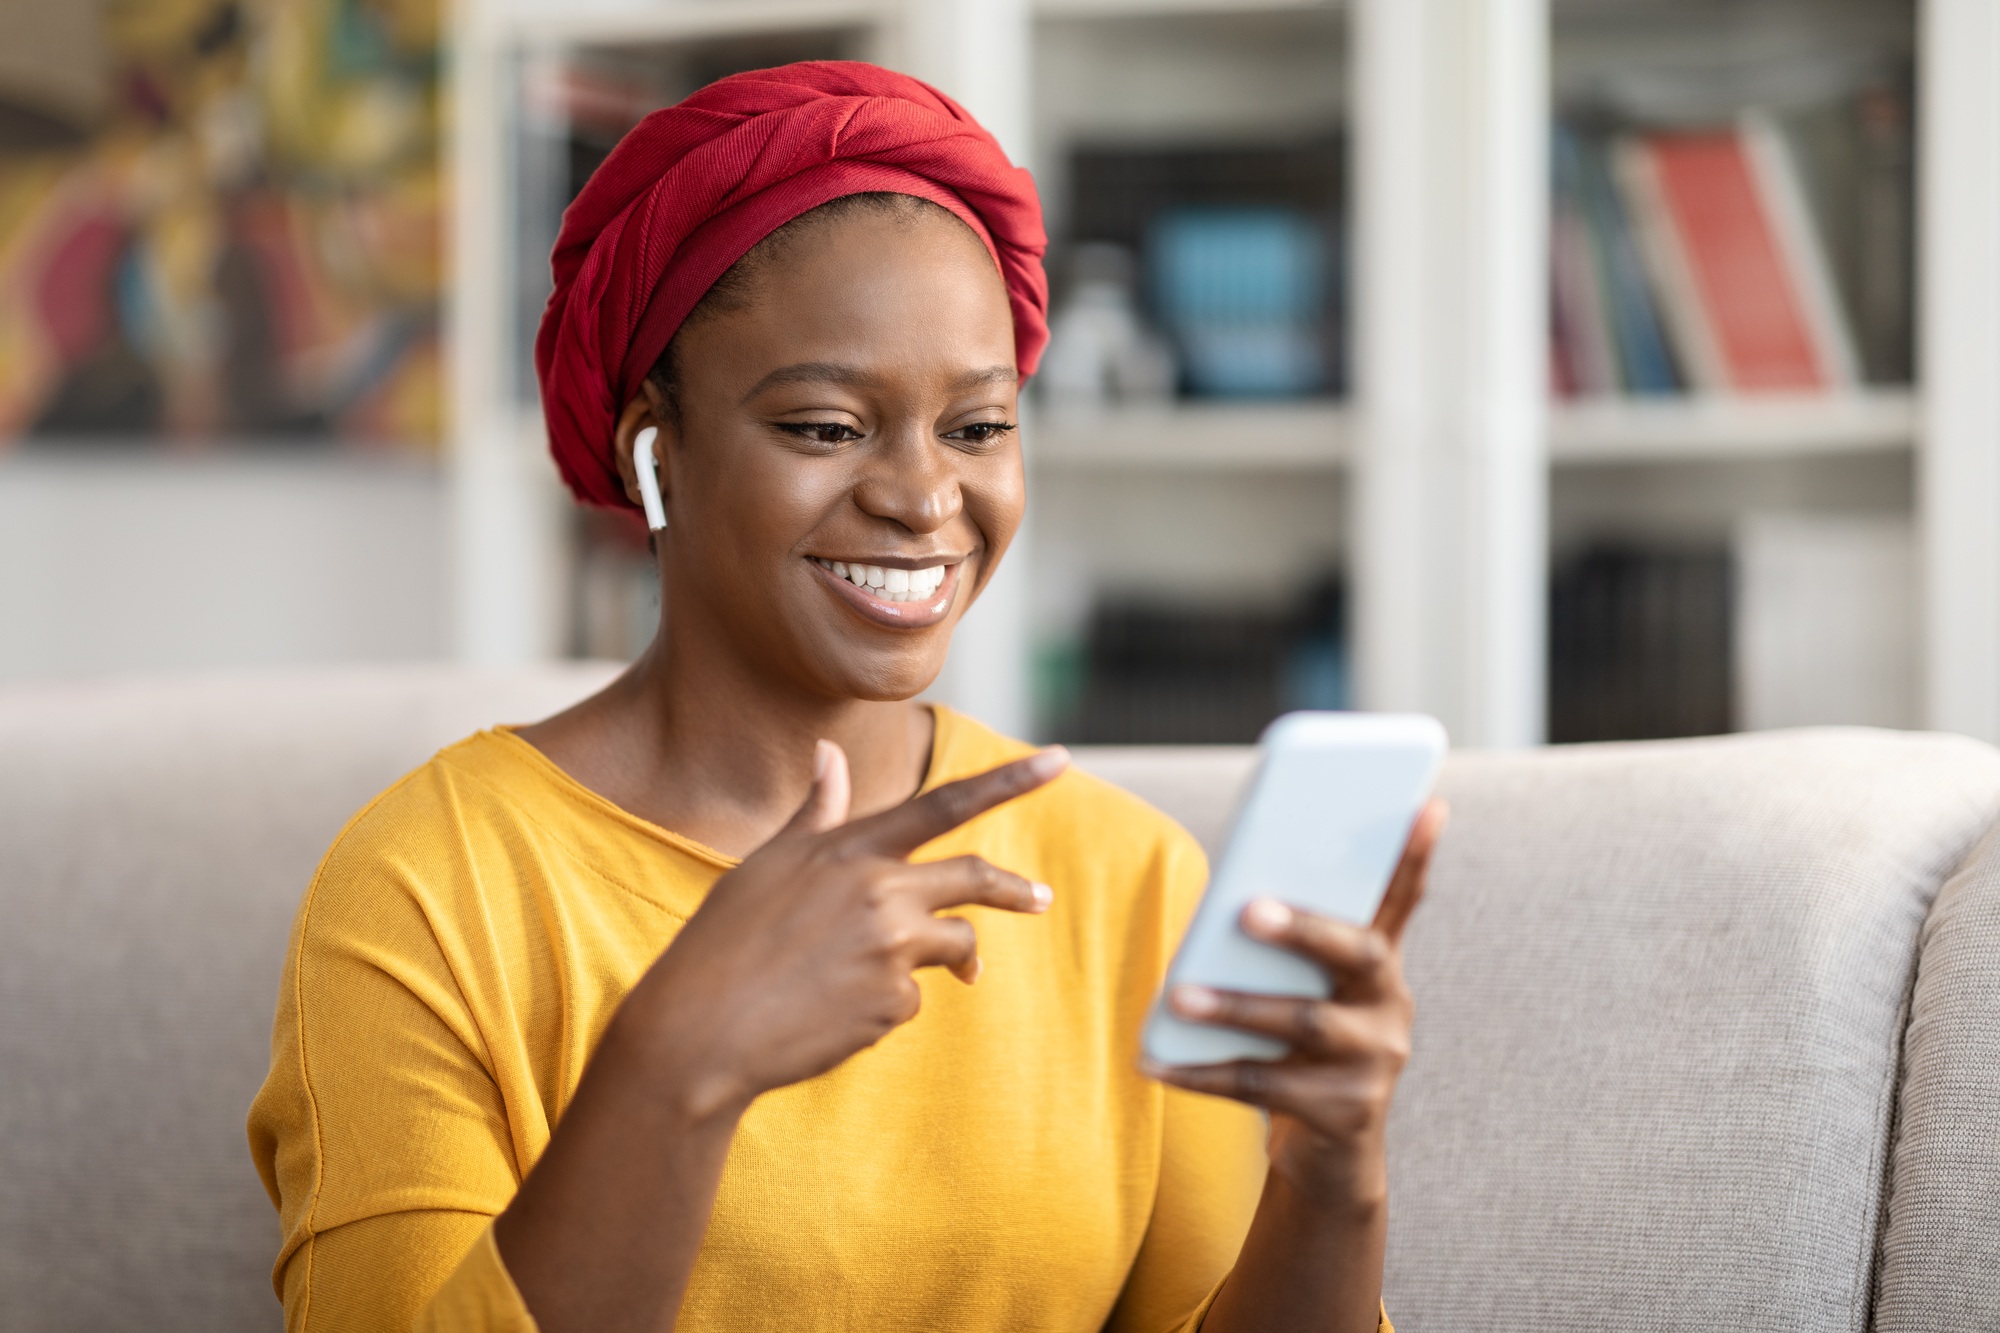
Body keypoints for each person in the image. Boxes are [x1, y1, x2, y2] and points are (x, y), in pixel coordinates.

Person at [248, 61, 1443, 1333]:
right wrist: (677, 1062)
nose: (925, 500)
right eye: (825, 427)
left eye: (977, 428)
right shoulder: (428, 889)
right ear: (654, 445)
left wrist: (1331, 1181)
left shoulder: (1121, 877)